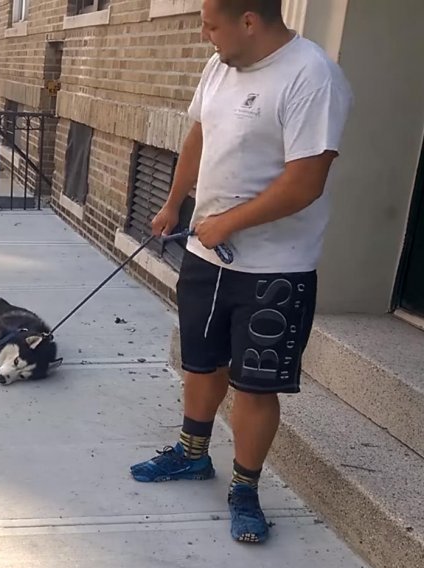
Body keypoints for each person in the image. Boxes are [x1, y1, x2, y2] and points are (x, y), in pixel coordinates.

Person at [129, 0, 353, 544]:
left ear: (249, 20)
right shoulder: (220, 66)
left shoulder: (313, 76)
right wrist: (173, 201)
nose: (204, 35)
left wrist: (227, 223)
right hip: (208, 261)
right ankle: (191, 454)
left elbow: (305, 182)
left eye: (210, 24)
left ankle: (245, 490)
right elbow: (199, 137)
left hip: (276, 269)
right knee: (202, 365)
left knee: (254, 386)